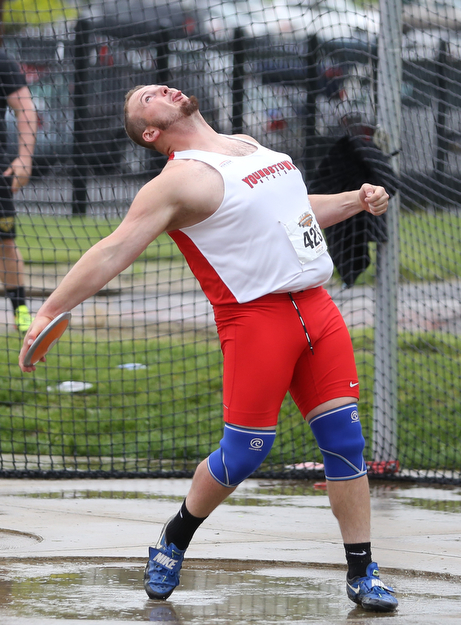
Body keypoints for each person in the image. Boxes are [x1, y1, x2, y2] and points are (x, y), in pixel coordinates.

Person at [19, 84, 398, 613]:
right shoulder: (176, 183)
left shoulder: (249, 145)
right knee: (245, 453)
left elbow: (294, 210)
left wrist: (355, 200)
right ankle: (175, 538)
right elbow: (113, 249)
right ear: (150, 131)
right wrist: (46, 311)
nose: (161, 88)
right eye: (146, 97)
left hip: (318, 311)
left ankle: (363, 571)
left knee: (344, 442)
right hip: (255, 320)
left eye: (158, 84)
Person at [0, 49, 37, 332]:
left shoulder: (3, 59)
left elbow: (24, 107)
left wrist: (25, 157)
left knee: (5, 243)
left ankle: (21, 311)